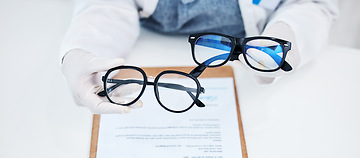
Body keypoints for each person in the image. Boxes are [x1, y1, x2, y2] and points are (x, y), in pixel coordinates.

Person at [61, 0, 338, 114]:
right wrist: (81, 51)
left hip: (252, 66)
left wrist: (289, 32)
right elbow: (106, 6)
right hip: (148, 39)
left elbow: (314, 4)